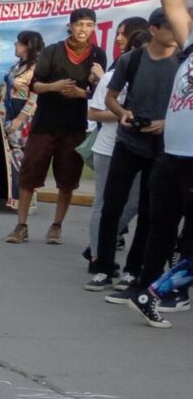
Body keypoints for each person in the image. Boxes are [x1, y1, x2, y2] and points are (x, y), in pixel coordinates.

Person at [121, 0, 193, 327]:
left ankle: (162, 291)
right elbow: (175, 8)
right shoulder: (192, 45)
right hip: (173, 155)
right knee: (159, 228)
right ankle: (148, 289)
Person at [9, 8, 103, 245]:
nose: (83, 30)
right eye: (79, 24)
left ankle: (56, 226)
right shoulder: (52, 51)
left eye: (89, 25)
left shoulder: (97, 55)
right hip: (44, 124)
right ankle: (21, 226)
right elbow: (35, 86)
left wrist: (82, 92)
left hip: (74, 126)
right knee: (30, 174)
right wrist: (55, 86)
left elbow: (100, 92)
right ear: (70, 26)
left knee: (67, 179)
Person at [96, 12, 175, 290]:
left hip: (164, 147)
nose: (177, 32)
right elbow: (110, 97)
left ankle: (133, 269)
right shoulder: (133, 59)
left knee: (149, 210)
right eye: (170, 27)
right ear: (154, 29)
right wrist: (122, 114)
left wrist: (166, 122)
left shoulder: (182, 62)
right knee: (112, 206)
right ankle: (103, 267)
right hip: (128, 141)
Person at [83, 19, 148, 282]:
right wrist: (123, 114)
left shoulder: (160, 76)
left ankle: (99, 244)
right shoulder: (113, 76)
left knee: (133, 204)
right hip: (109, 148)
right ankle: (99, 258)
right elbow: (94, 111)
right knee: (103, 204)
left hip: (139, 148)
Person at [0, 30, 43, 212]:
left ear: (27, 46)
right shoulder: (15, 67)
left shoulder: (37, 69)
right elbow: (6, 88)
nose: (15, 46)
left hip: (23, 117)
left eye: (18, 43)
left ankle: (25, 201)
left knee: (22, 158)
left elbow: (35, 96)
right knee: (5, 157)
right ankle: (5, 197)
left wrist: (20, 119)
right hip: (7, 114)